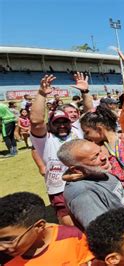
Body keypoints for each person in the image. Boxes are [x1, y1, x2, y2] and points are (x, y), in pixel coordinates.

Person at [29, 74, 86, 226]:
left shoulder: (77, 130)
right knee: (69, 224)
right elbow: (35, 121)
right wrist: (41, 94)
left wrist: (85, 93)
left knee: (88, 220)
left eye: (65, 121)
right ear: (50, 124)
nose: (61, 125)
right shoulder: (45, 140)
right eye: (57, 122)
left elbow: (90, 111)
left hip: (83, 182)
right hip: (59, 188)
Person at [57, 139, 124, 229]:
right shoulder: (83, 195)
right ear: (76, 169)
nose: (103, 157)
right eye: (95, 157)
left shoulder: (97, 170)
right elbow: (104, 233)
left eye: (100, 151)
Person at [0, 192, 94, 265]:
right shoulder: (4, 258)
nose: (1, 247)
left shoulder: (71, 237)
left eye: (7, 239)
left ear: (39, 226)